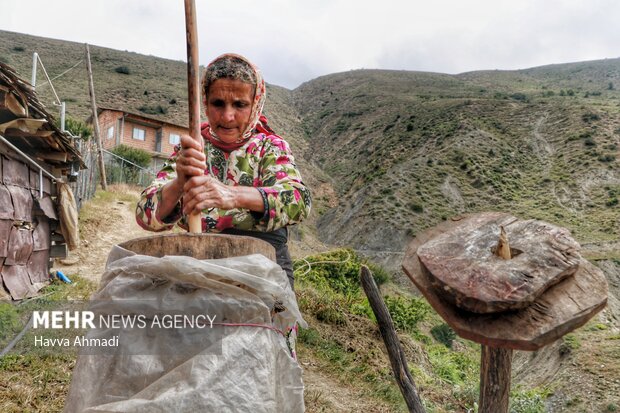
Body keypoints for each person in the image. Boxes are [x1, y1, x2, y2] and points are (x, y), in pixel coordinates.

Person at [136, 53, 311, 288]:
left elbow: (299, 201)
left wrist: (233, 195)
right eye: (218, 103)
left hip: (262, 270)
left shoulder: (270, 147)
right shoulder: (191, 149)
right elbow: (146, 217)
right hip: (198, 268)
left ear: (255, 103)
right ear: (205, 103)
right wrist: (179, 183)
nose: (228, 116)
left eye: (240, 105)